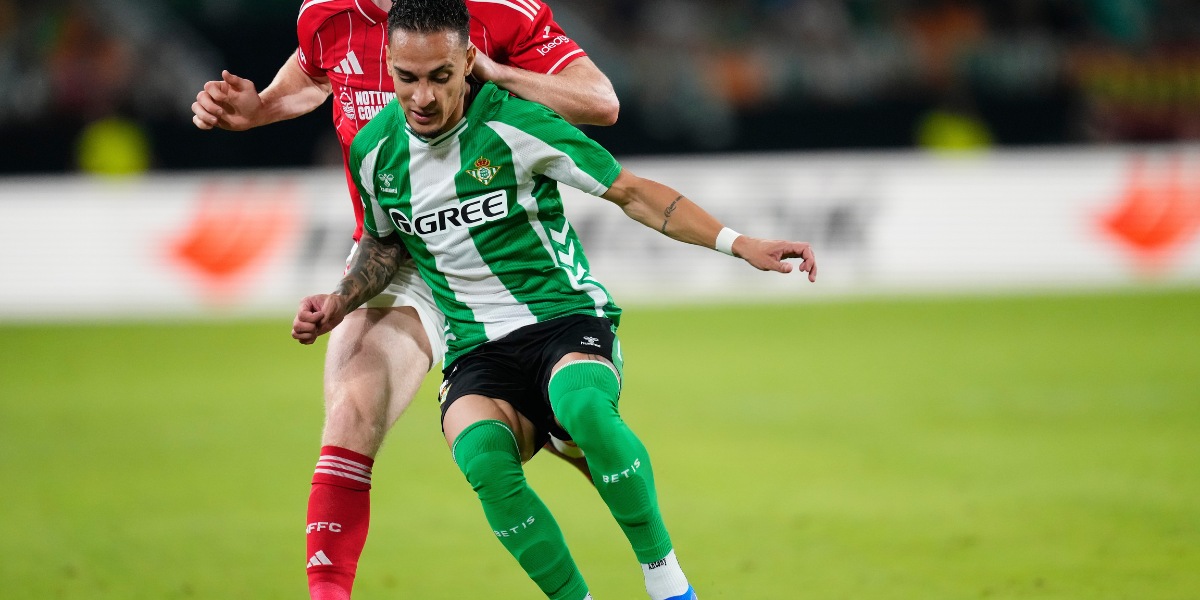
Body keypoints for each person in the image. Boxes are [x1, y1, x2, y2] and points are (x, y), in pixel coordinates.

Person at [291, 1, 818, 598]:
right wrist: (339, 301)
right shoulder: (372, 150)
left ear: (469, 62)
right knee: (483, 459)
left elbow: (631, 192)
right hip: (474, 348)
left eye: (441, 76)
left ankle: (668, 584)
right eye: (408, 78)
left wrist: (739, 243)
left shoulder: (516, 123)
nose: (424, 97)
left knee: (584, 407)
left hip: (561, 319)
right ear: (388, 65)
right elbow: (383, 245)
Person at [191, 1, 618, 598]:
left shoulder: (496, 13)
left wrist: (497, 74)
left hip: (496, 252)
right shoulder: (327, 15)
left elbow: (599, 102)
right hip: (397, 255)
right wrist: (261, 107)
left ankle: (628, 521)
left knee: (588, 436)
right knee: (351, 415)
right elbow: (315, 72)